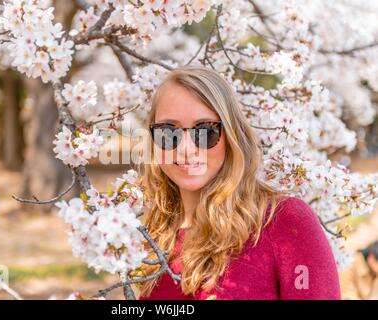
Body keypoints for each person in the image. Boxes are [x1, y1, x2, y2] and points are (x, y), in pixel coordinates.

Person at [137, 65, 341, 300]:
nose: (185, 149)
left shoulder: (284, 221)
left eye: (205, 131)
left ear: (232, 135)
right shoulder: (155, 235)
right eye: (168, 132)